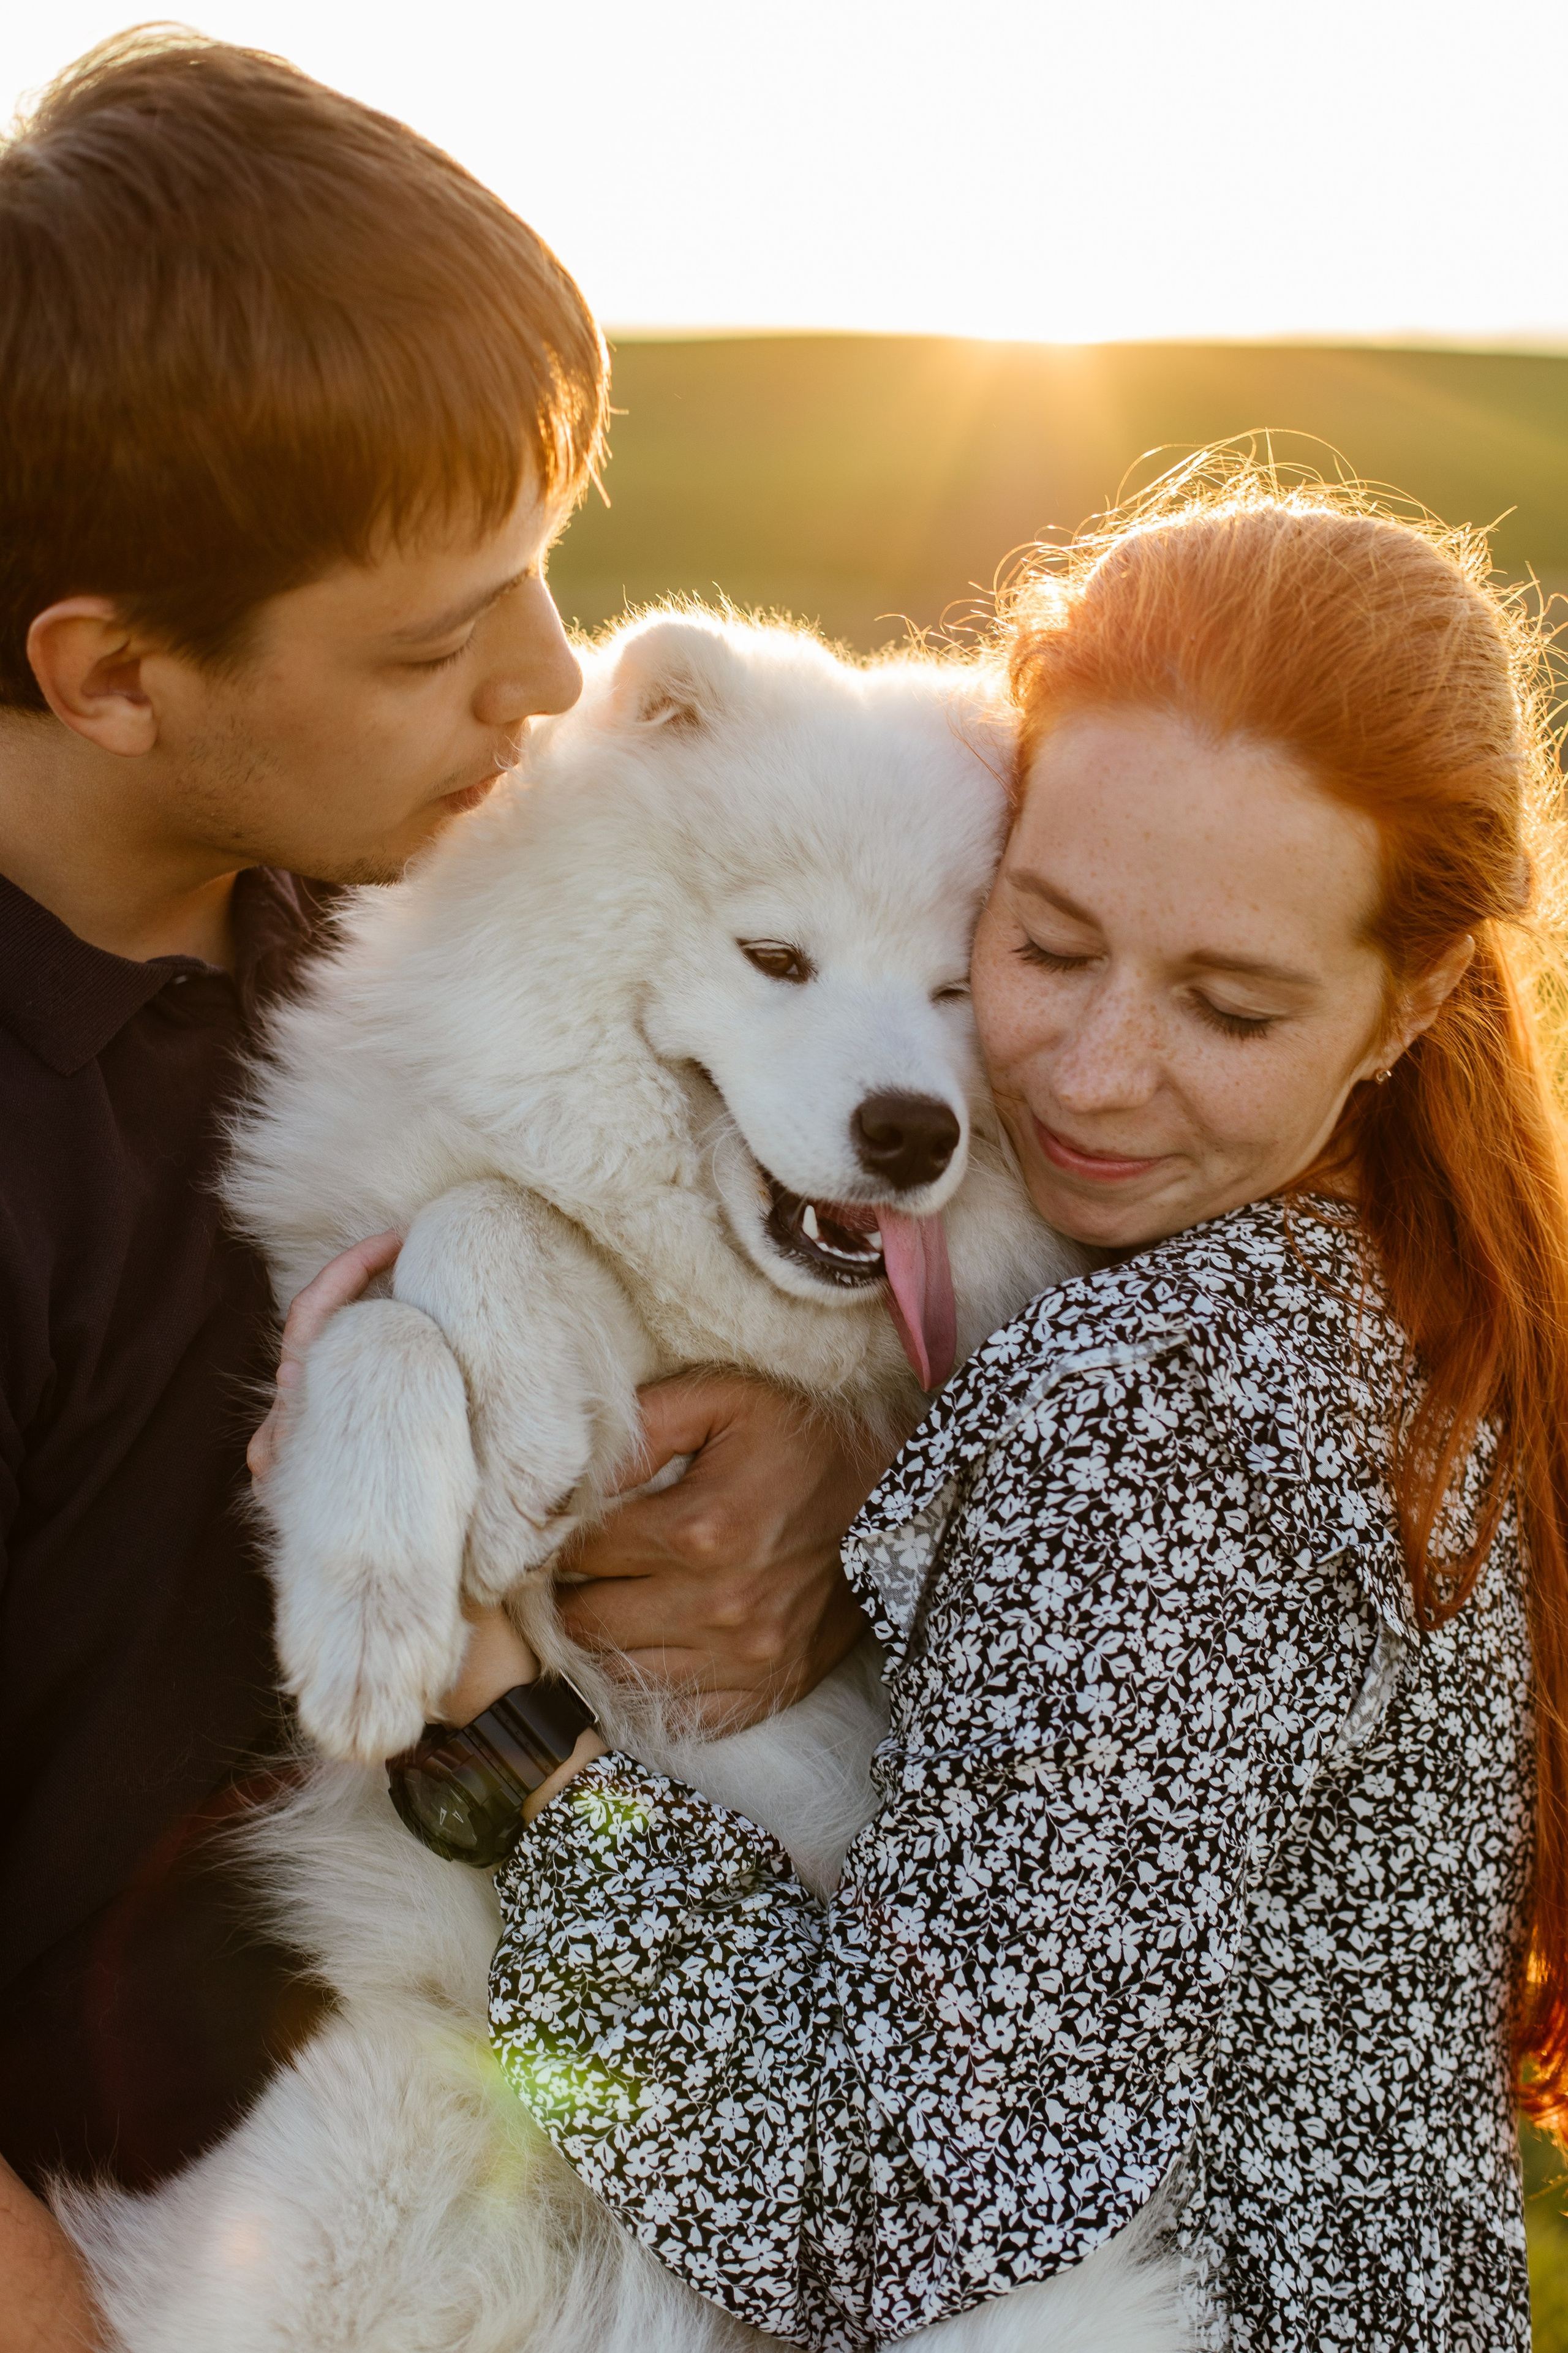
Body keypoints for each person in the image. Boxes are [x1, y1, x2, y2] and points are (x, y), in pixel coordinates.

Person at [454, 472, 1562, 2348]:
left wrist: (496, 1744)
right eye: (1040, 947)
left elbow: (864, 2210)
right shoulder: (1406, 1274)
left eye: (1229, 1006)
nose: (1094, 1075)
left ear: (1408, 1002)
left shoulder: (1163, 1395)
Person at [0, 34, 875, 2349]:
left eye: (544, 569)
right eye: (430, 640)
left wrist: (798, 1451)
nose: (554, 673)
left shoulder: (395, 902)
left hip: (467, 2147)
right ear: (110, 678)